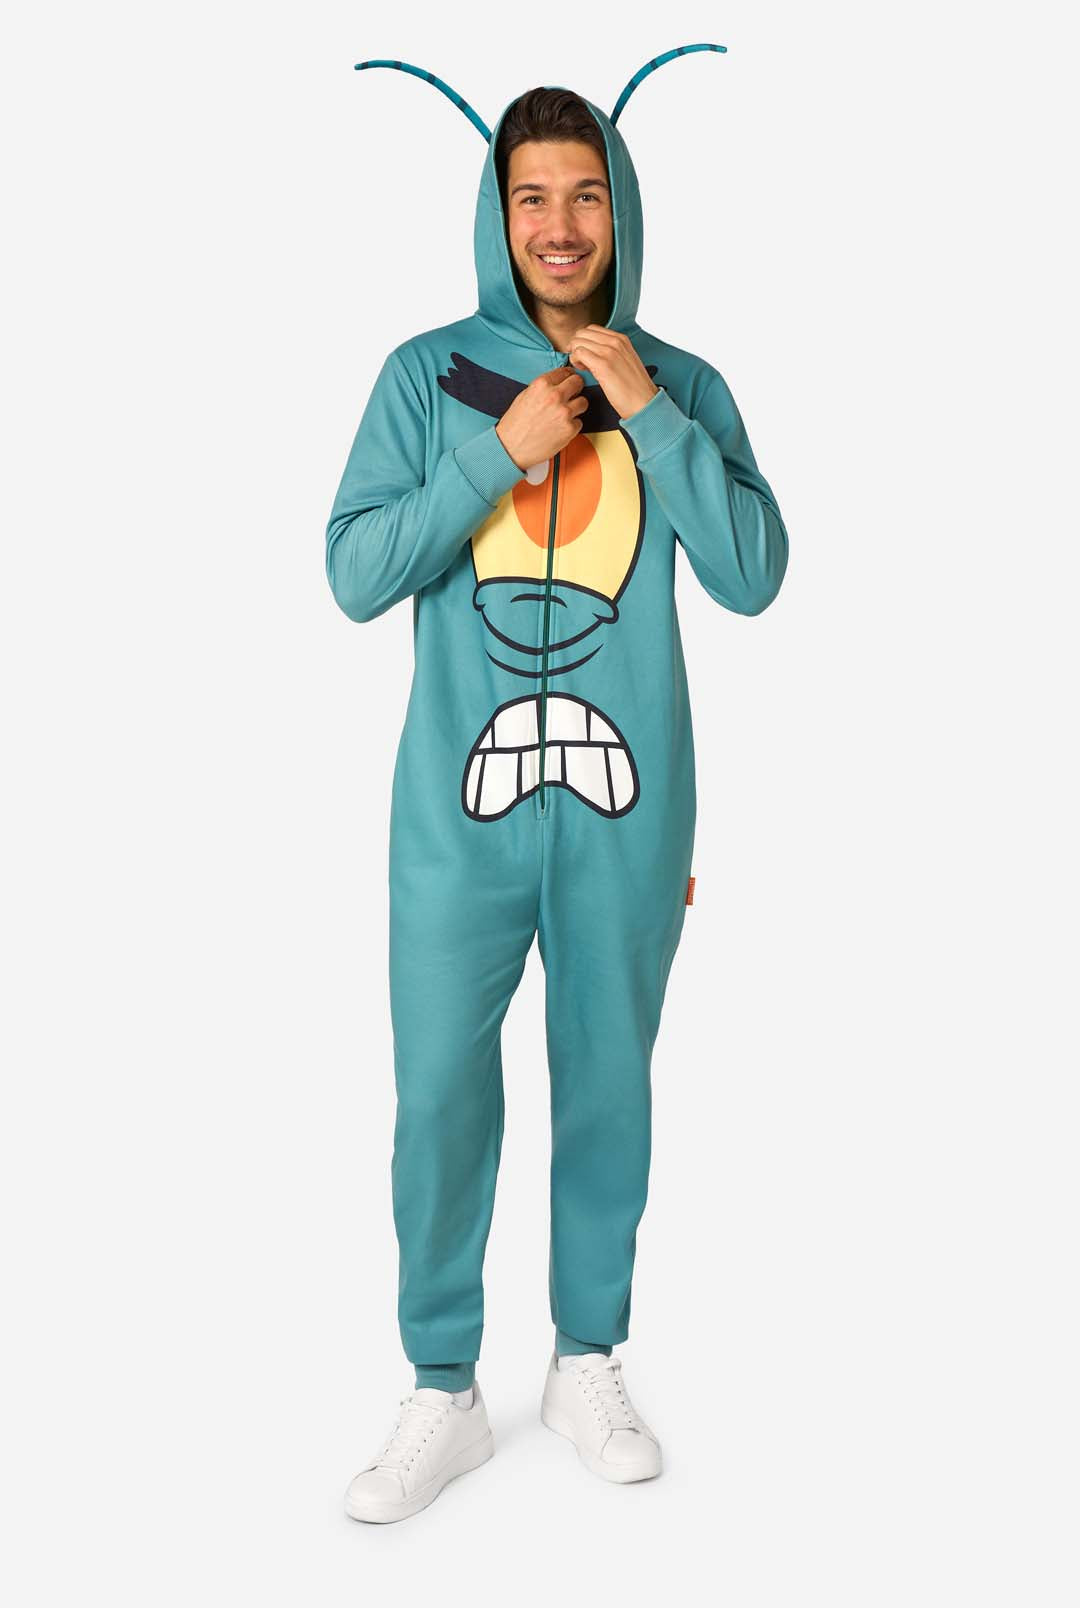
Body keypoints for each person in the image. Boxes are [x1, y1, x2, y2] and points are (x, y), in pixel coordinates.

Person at [326, 65, 789, 1523]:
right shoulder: (424, 378)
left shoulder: (683, 382)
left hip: (627, 824)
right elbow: (355, 573)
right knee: (437, 1095)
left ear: (620, 206)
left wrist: (649, 413)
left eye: (586, 192)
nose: (562, 224)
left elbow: (754, 574)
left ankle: (588, 1359)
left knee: (609, 1087)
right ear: (498, 213)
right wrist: (498, 451)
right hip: (449, 828)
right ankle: (443, 1388)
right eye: (534, 197)